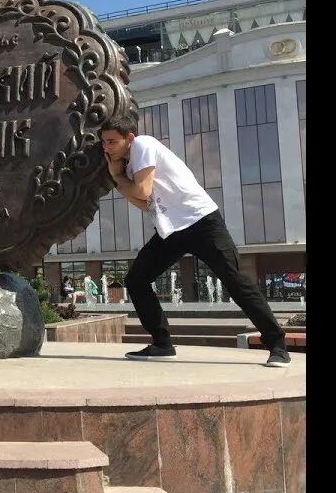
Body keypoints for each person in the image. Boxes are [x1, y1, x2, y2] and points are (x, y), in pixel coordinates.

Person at [99, 115, 290, 367]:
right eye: (104, 142)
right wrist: (123, 180)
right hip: (172, 229)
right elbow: (145, 204)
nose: (107, 147)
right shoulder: (131, 166)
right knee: (136, 280)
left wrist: (116, 176)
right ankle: (162, 343)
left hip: (202, 221)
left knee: (235, 282)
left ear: (129, 138)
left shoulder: (143, 144)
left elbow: (142, 192)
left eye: (112, 142)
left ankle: (277, 346)